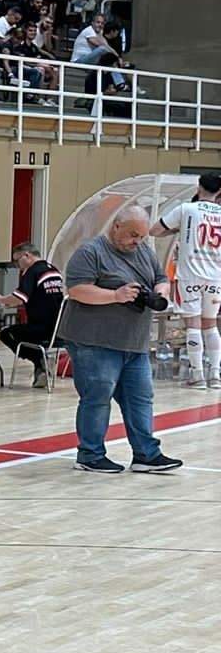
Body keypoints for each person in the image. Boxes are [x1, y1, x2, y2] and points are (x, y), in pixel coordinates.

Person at [62, 208, 181, 474]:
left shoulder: (144, 252)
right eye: (132, 234)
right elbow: (77, 290)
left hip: (134, 343)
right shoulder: (90, 252)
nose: (137, 241)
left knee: (141, 398)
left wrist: (160, 293)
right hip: (95, 342)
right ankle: (90, 455)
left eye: (141, 236)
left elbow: (161, 278)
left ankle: (146, 455)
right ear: (116, 226)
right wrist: (116, 296)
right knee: (97, 397)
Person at [156, 171, 221, 389]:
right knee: (211, 325)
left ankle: (197, 375)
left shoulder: (186, 209)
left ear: (199, 187)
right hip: (215, 277)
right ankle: (215, 375)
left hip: (190, 275)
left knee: (193, 324)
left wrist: (178, 230)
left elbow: (155, 230)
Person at [0, 241, 65, 388]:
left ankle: (40, 361)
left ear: (27, 255)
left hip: (41, 329)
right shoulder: (54, 271)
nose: (17, 265)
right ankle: (41, 367)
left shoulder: (33, 272)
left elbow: (18, 298)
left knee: (6, 334)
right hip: (60, 330)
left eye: (17, 260)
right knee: (23, 332)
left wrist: (0, 299)